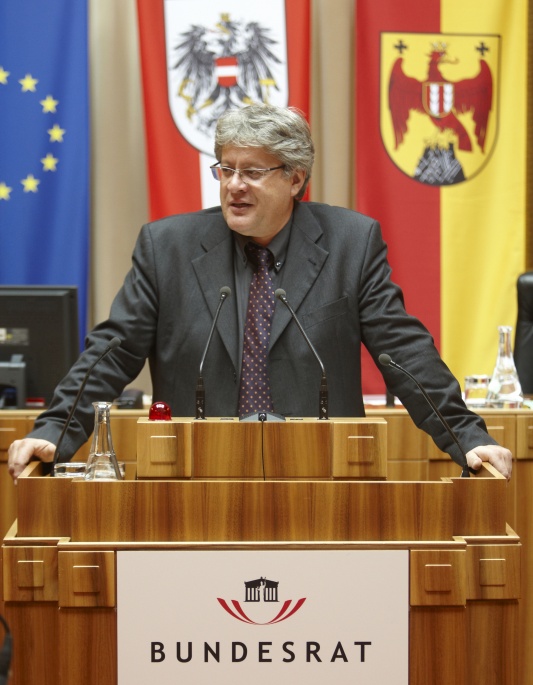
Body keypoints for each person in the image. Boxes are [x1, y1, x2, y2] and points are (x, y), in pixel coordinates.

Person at [8, 104, 512, 480]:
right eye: (226, 169)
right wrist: (55, 430)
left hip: (324, 480)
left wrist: (466, 436)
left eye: (252, 172)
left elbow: (402, 351)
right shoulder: (168, 247)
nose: (234, 185)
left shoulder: (351, 243)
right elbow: (113, 351)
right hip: (193, 479)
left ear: (295, 179)